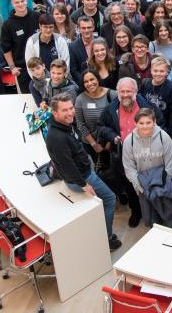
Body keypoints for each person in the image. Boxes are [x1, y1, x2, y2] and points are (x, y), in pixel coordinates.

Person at [46, 93, 122, 251]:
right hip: (83, 178)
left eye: (71, 108)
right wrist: (84, 184)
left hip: (82, 173)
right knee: (109, 199)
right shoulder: (57, 137)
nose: (70, 113)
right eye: (64, 110)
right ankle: (106, 238)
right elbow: (67, 165)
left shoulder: (64, 125)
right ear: (55, 113)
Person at [97, 77, 162, 227]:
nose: (125, 94)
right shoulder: (111, 108)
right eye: (122, 91)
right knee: (130, 185)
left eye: (129, 91)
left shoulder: (147, 106)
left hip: (147, 155)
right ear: (118, 92)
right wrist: (113, 136)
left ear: (135, 92)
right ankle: (136, 212)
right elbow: (101, 127)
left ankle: (153, 212)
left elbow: (160, 123)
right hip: (123, 156)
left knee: (148, 184)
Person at [122, 108, 172, 228]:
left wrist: (163, 185)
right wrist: (139, 187)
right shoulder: (129, 141)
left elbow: (170, 165)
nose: (145, 126)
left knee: (169, 219)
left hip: (163, 187)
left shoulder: (164, 138)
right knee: (153, 223)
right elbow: (129, 168)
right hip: (144, 188)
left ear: (154, 122)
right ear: (135, 123)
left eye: (148, 122)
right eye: (141, 123)